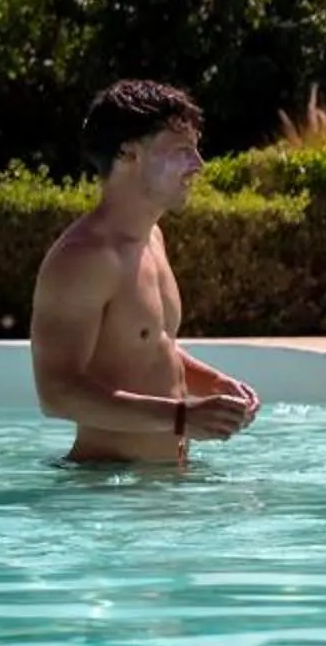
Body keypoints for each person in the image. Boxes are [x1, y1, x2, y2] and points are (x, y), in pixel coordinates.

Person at [30, 80, 260, 466]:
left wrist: (212, 384)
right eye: (181, 150)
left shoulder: (151, 238)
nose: (198, 165)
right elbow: (55, 392)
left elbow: (147, 342)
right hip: (105, 495)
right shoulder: (85, 257)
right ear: (128, 153)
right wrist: (182, 417)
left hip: (161, 486)